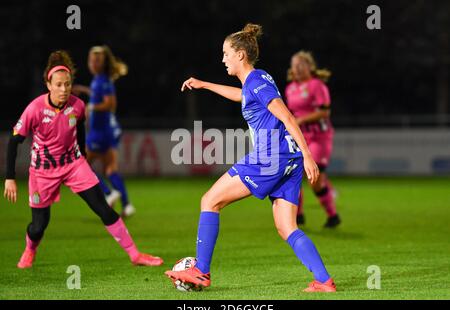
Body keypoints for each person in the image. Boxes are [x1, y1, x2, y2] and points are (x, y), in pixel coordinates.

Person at [165, 24, 336, 292]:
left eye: (225, 54)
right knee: (287, 227)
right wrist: (204, 84)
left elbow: (288, 116)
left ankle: (201, 271)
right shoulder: (259, 79)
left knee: (209, 200)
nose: (222, 59)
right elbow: (242, 96)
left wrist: (309, 156)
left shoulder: (255, 82)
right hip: (286, 160)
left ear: (240, 55)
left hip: (271, 157)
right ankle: (324, 281)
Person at [4, 50, 163, 268]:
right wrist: (10, 178)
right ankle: (30, 250)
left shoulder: (77, 106)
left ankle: (135, 255)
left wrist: (83, 156)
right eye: (58, 84)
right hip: (42, 172)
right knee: (39, 225)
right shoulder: (35, 109)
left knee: (103, 209)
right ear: (48, 84)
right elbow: (14, 141)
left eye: (67, 84)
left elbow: (79, 130)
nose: (63, 89)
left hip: (73, 165)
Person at [72, 45, 135, 218]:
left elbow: (110, 104)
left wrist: (89, 106)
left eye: (96, 60)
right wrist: (86, 91)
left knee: (83, 165)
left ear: (102, 63)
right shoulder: (100, 80)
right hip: (107, 130)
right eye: (91, 60)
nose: (92, 63)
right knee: (110, 170)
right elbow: (100, 95)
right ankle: (127, 205)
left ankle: (108, 193)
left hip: (99, 132)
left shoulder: (102, 80)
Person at [285, 51, 341, 228]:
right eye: (295, 65)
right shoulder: (290, 88)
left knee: (314, 179)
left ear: (310, 67)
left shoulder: (317, 85)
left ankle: (333, 215)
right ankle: (299, 216)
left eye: (301, 64)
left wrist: (301, 119)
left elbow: (325, 112)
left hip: (319, 136)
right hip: (300, 137)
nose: (297, 68)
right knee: (294, 175)